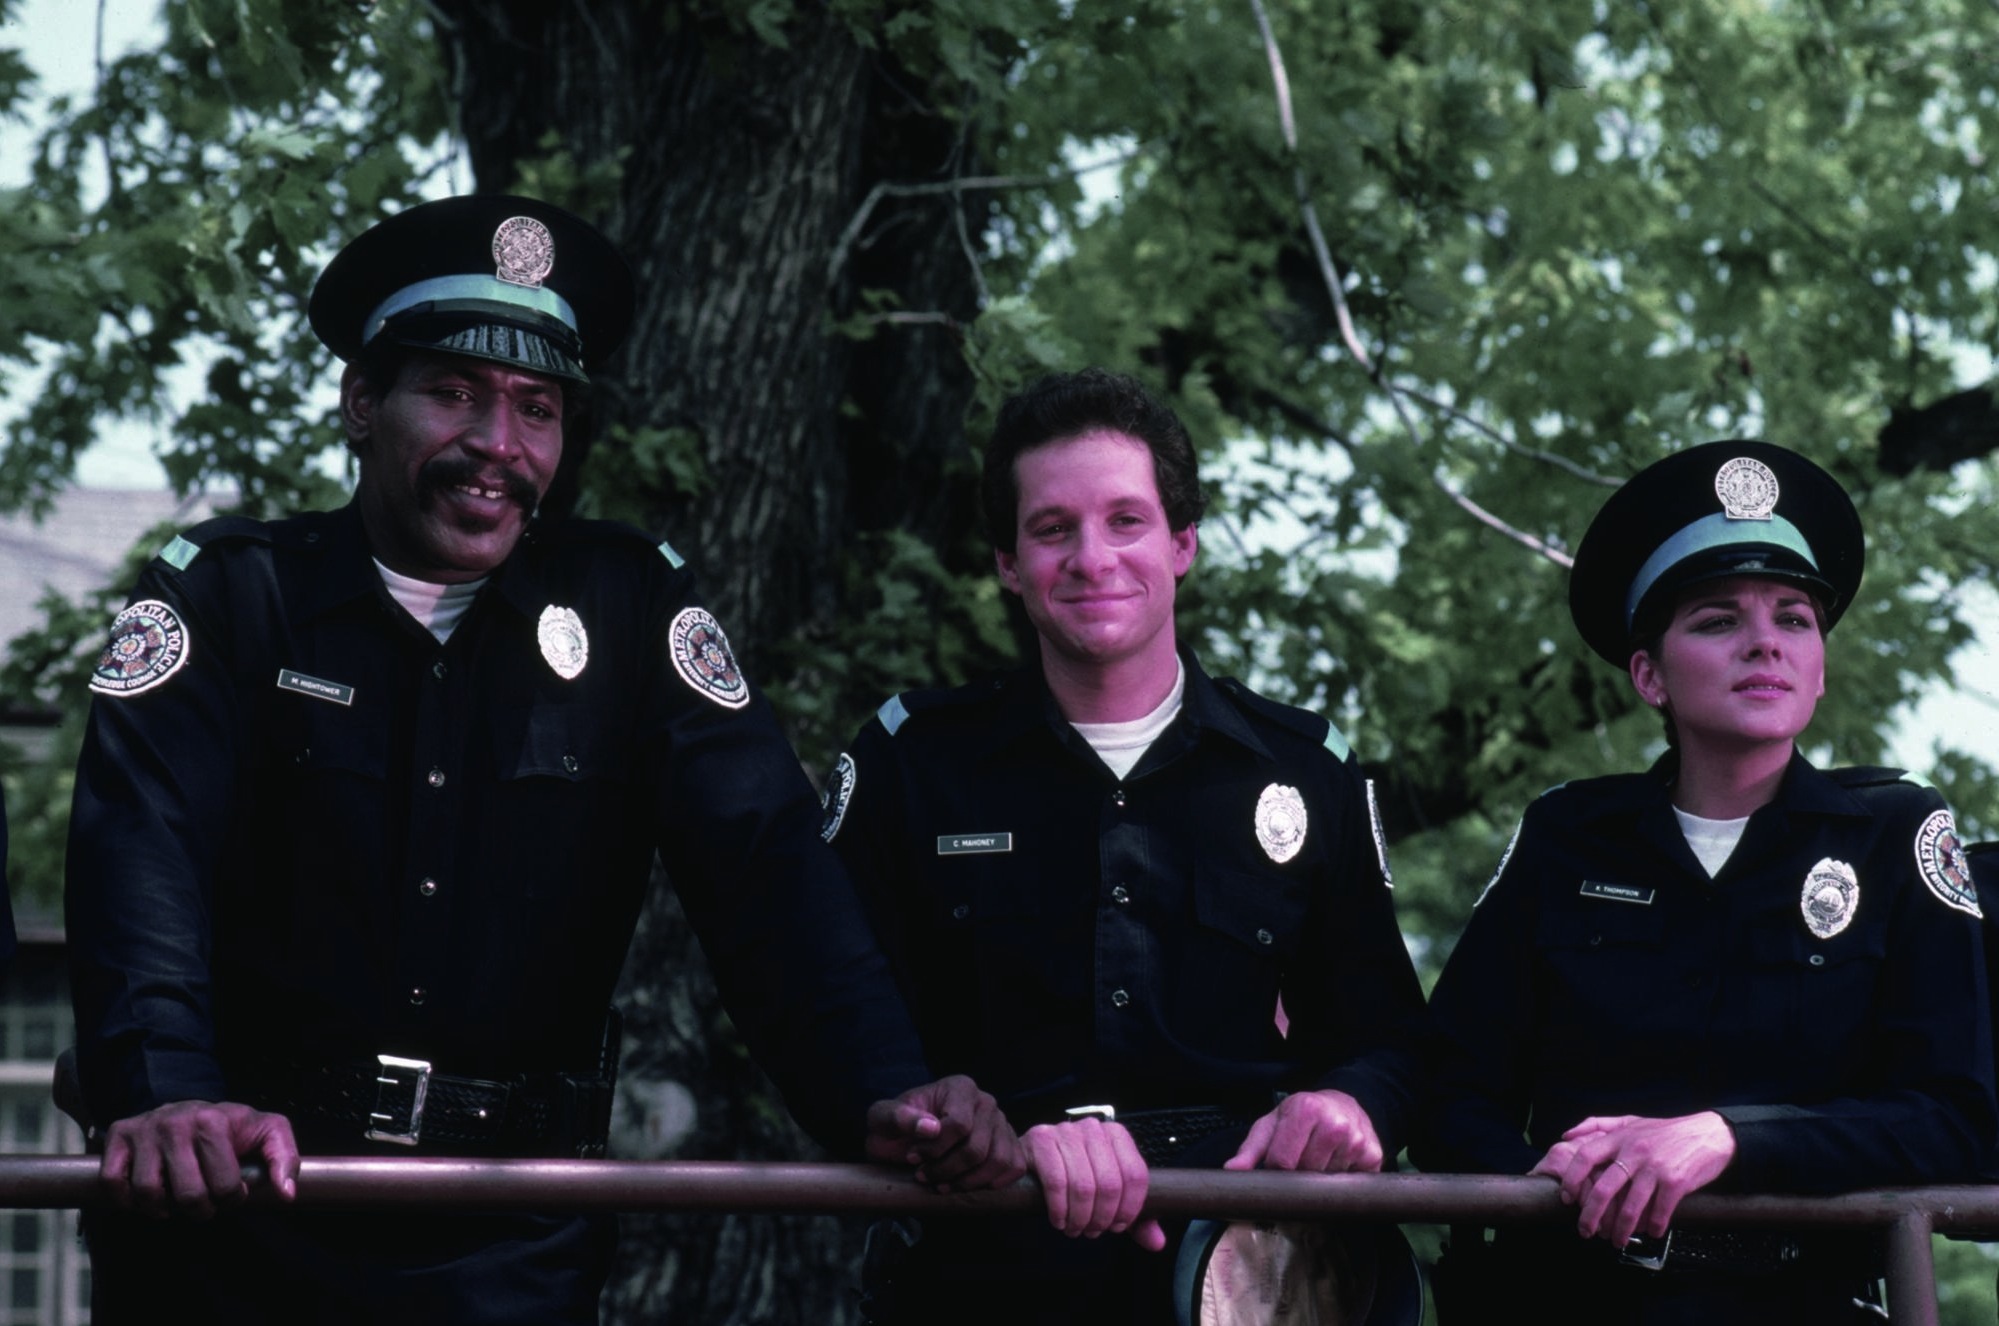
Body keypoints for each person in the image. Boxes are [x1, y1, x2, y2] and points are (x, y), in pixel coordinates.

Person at [64, 194, 1018, 1324]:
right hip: (233, 1214)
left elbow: (768, 873)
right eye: (454, 394)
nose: (498, 448)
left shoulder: (629, 607)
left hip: (508, 1239)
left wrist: (888, 1097)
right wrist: (166, 1093)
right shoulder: (228, 595)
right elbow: (140, 856)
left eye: (537, 408)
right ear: (362, 402)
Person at [822, 368, 1429, 1324]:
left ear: (1182, 543)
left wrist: (1352, 1108)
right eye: (1052, 529)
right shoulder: (912, 764)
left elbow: (1387, 1036)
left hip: (1251, 1274)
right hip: (982, 1267)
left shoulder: (1304, 772)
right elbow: (833, 1015)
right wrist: (933, 1111)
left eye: (1126, 521)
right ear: (1007, 563)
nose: (1091, 557)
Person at [1416, 440, 1997, 1323]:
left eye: (1792, 618)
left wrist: (1730, 1140)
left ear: (1819, 669)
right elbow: (1447, 1086)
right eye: (1717, 619)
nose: (1763, 641)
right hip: (1577, 1298)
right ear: (1648, 673)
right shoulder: (1569, 836)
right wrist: (1555, 1178)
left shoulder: (1895, 836)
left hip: (1801, 1301)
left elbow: (1958, 1117)